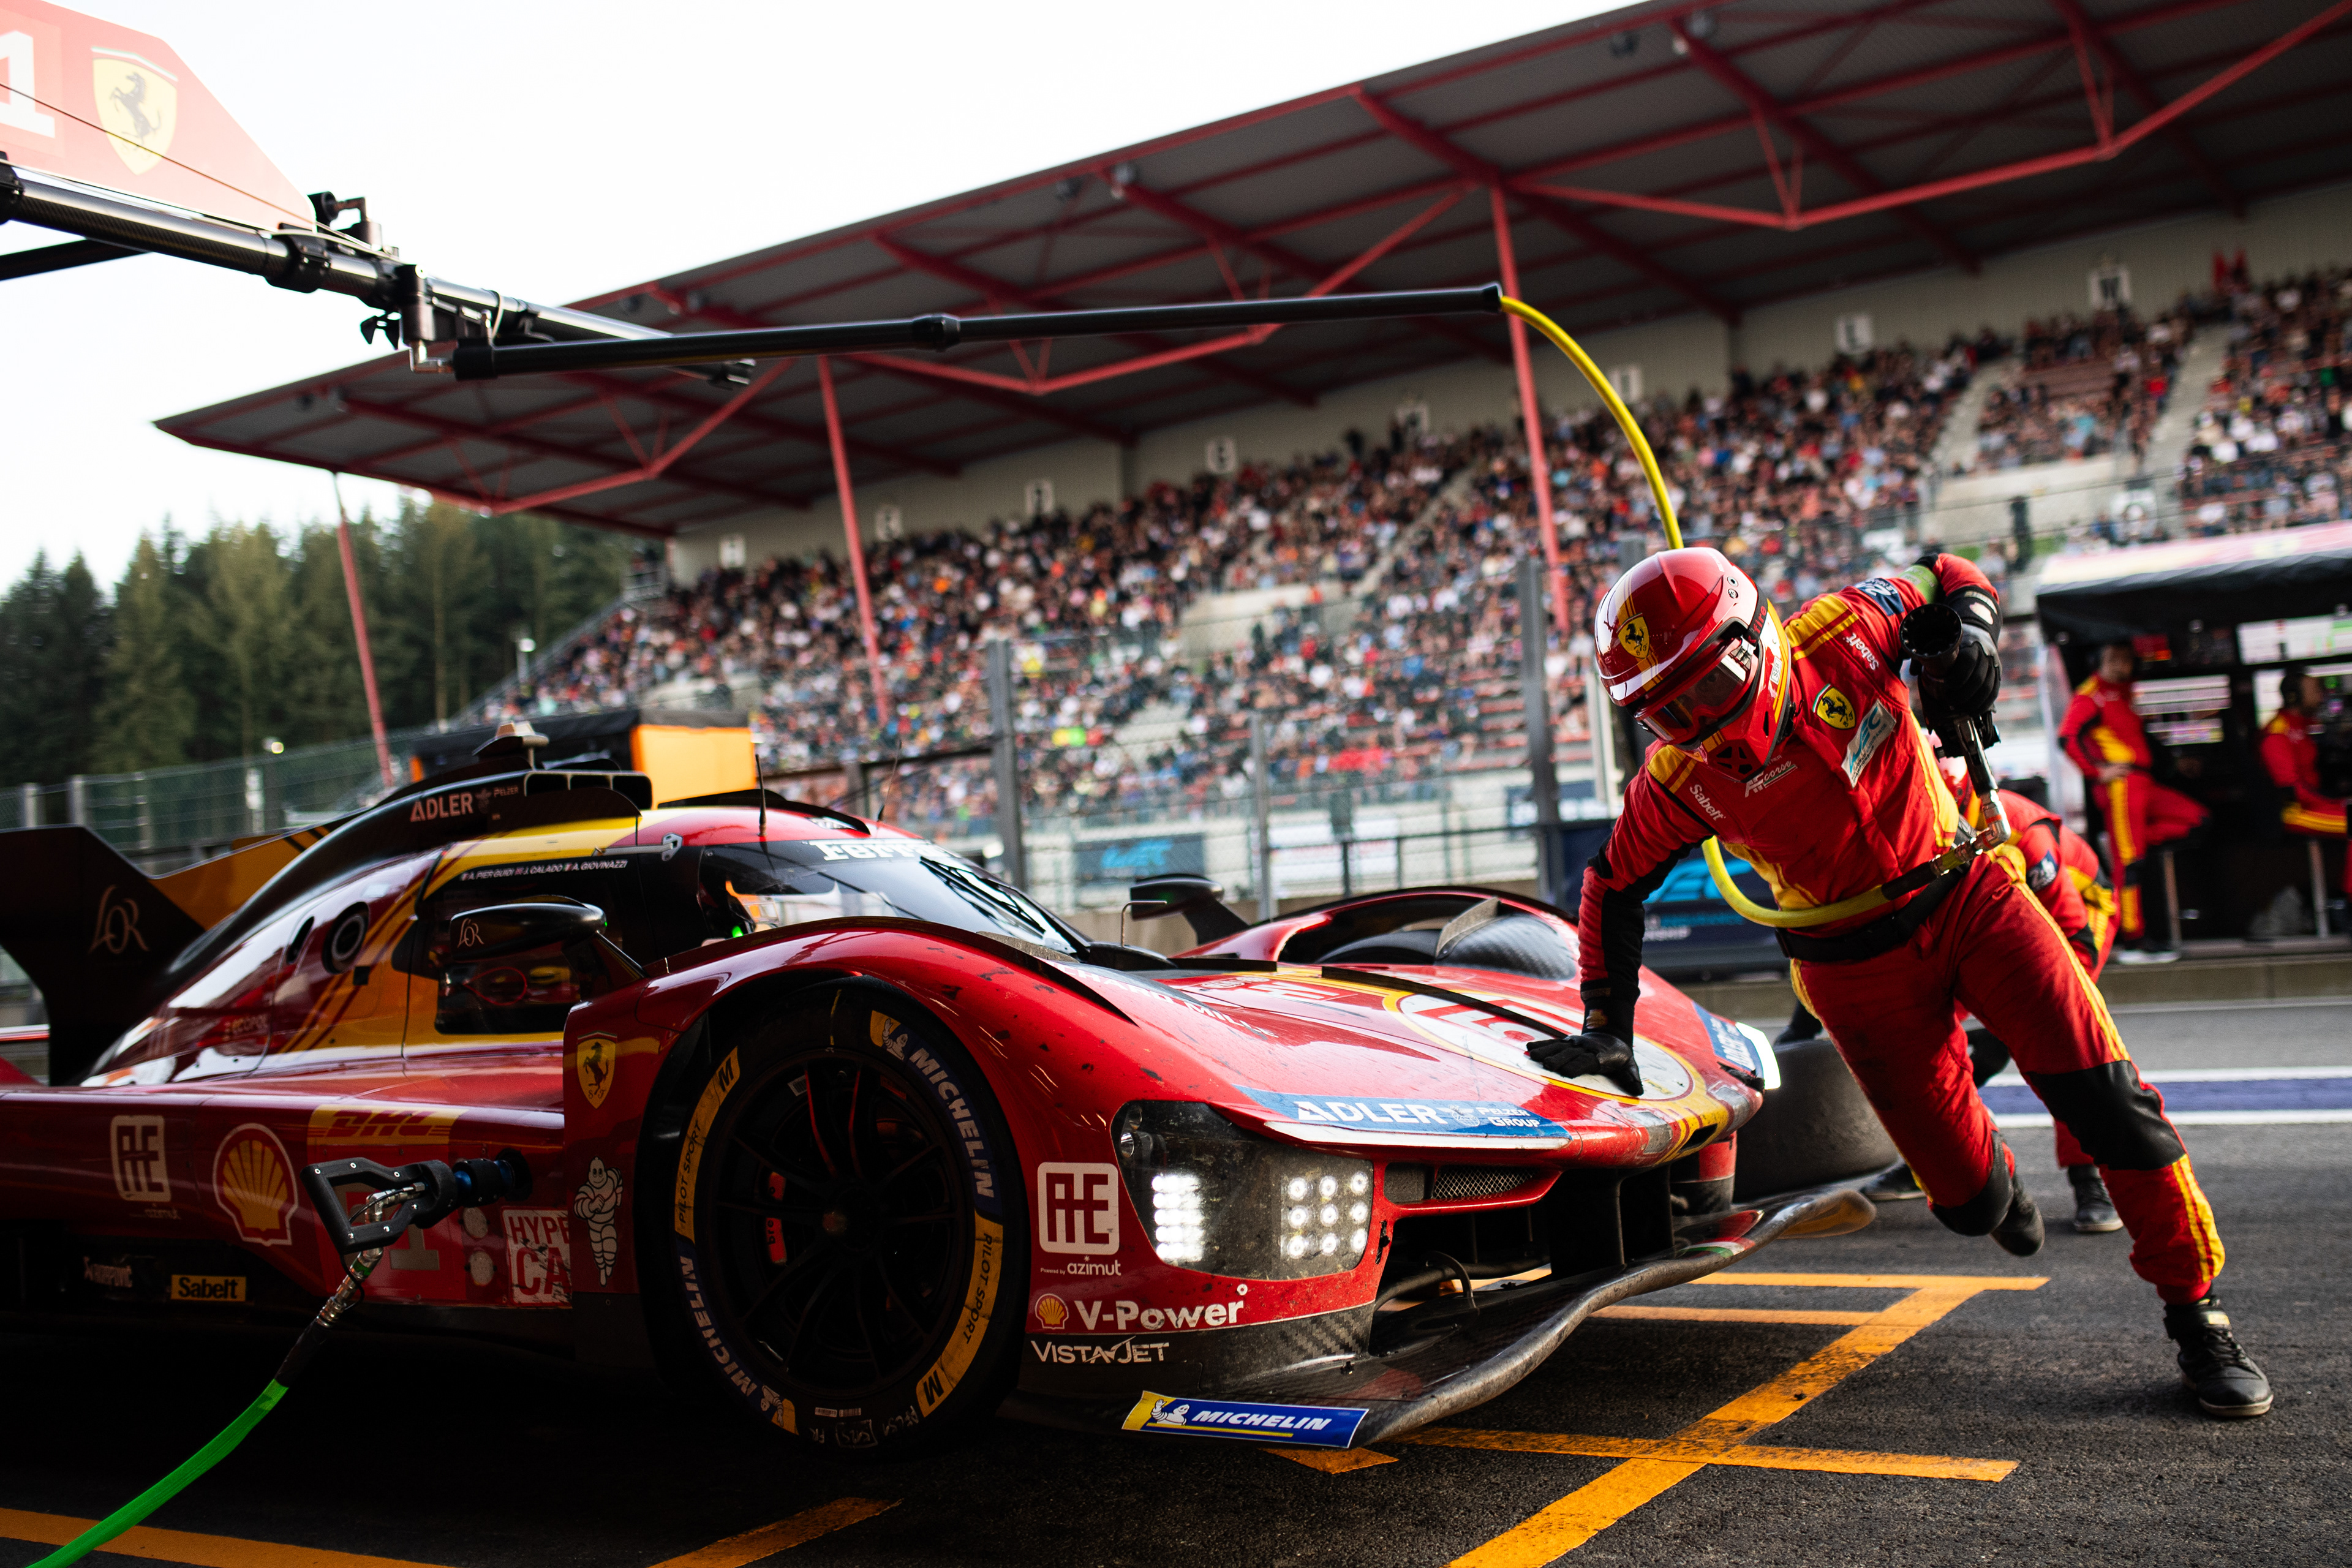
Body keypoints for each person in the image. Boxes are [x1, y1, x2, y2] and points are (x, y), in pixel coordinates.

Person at [1539, 547, 2268, 1419]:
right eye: (1669, 712)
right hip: (1852, 973)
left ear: (1755, 638)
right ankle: (1991, 1183)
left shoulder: (1844, 631)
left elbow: (1948, 568)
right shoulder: (1681, 779)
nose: (1703, 724)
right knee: (1963, 1202)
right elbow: (1611, 883)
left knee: (2111, 1102)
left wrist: (1973, 638)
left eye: (1709, 687)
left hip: (1969, 893)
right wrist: (1605, 1020)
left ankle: (2199, 1316)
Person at [1798, 752, 2126, 1234]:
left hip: (2077, 916)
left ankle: (2089, 1179)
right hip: (1985, 915)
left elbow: (2076, 936)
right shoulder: (1906, 835)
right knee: (1926, 1044)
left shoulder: (2019, 831)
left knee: (2064, 1047)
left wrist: (2014, 1030)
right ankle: (1935, 1160)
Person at [2058, 643, 2208, 962]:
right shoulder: (2091, 695)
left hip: (2145, 783)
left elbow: (2139, 740)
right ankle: (2133, 939)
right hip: (2122, 787)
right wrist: (2098, 772)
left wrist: (2174, 765)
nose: (2121, 664)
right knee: (2129, 862)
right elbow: (2067, 738)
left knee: (2197, 819)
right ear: (2100, 660)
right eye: (2114, 658)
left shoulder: (2124, 693)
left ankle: (2134, 845)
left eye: (2126, 658)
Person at [2258, 664, 2348, 895]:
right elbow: (2291, 789)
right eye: (2315, 692)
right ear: (2295, 697)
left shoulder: (2301, 728)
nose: (2321, 697)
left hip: (2312, 806)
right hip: (2294, 813)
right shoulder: (2278, 732)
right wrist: (2334, 803)